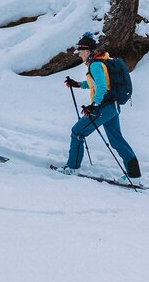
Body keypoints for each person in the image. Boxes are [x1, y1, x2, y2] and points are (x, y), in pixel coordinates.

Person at [57, 33, 141, 182]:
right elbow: (96, 84)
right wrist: (77, 84)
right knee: (116, 140)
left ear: (88, 51)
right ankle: (134, 176)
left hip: (103, 107)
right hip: (112, 107)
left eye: (81, 51)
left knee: (77, 132)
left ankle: (72, 168)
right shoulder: (100, 61)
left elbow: (101, 87)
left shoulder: (95, 65)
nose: (79, 54)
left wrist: (93, 105)